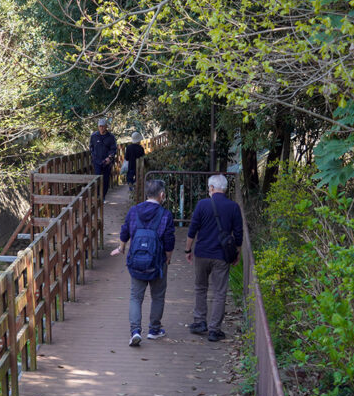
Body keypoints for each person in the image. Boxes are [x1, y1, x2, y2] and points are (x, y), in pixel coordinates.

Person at [111, 179, 175, 346]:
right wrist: (168, 257)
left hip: (137, 262)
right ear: (162, 195)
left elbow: (125, 230)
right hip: (157, 262)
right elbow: (169, 240)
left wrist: (121, 248)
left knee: (135, 297)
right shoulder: (165, 214)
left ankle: (135, 331)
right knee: (158, 296)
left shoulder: (134, 211)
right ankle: (154, 330)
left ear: (147, 194)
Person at [184, 174, 243, 342]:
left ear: (211, 188)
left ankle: (199, 321)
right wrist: (236, 252)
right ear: (224, 189)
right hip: (222, 256)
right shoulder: (233, 207)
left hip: (202, 253)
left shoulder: (202, 204)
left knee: (200, 287)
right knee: (219, 292)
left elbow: (192, 229)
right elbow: (238, 234)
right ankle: (214, 329)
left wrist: (187, 250)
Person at [89, 117, 117, 197]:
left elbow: (113, 149)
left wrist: (110, 158)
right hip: (97, 161)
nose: (101, 128)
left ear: (106, 127)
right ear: (98, 127)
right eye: (100, 126)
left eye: (103, 126)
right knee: (97, 178)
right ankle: (97, 195)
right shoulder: (94, 136)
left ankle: (103, 195)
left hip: (107, 161)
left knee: (105, 179)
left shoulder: (111, 137)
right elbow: (91, 147)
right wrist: (93, 156)